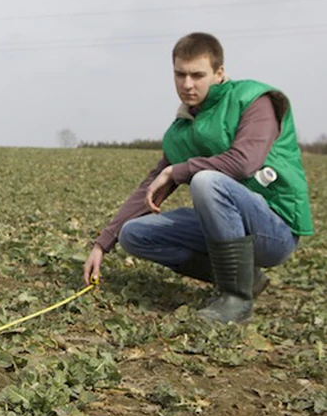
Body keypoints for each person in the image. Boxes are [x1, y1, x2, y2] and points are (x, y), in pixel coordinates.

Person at [83, 32, 313, 323]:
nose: (187, 84)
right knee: (134, 234)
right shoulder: (181, 130)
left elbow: (244, 162)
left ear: (219, 73)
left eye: (197, 75)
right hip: (225, 227)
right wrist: (102, 243)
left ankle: (236, 299)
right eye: (180, 74)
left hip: (273, 229)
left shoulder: (254, 100)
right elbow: (150, 189)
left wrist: (177, 170)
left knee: (206, 180)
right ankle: (247, 279)